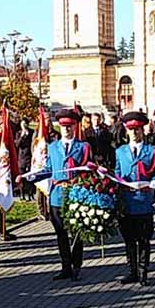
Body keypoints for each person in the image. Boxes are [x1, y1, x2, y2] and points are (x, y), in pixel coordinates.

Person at [42, 108, 91, 281]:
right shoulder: (53, 147)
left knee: (77, 231)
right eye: (64, 127)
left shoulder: (83, 147)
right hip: (57, 195)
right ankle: (65, 266)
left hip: (75, 193)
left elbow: (87, 170)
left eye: (70, 126)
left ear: (75, 127)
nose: (67, 130)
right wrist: (29, 177)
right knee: (60, 232)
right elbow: (48, 169)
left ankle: (77, 265)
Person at [114, 112, 155, 286]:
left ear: (142, 130)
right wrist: (117, 182)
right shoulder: (120, 151)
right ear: (126, 131)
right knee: (129, 239)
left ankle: (143, 271)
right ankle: (132, 271)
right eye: (131, 130)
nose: (134, 133)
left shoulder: (152, 151)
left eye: (137, 129)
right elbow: (118, 173)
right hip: (127, 200)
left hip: (143, 200)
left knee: (143, 238)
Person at [17, 118, 34, 202]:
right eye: (22, 124)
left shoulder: (32, 132)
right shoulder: (19, 133)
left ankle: (30, 194)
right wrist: (21, 136)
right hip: (22, 158)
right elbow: (17, 144)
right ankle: (22, 194)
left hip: (29, 157)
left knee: (30, 177)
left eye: (25, 124)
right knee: (22, 177)